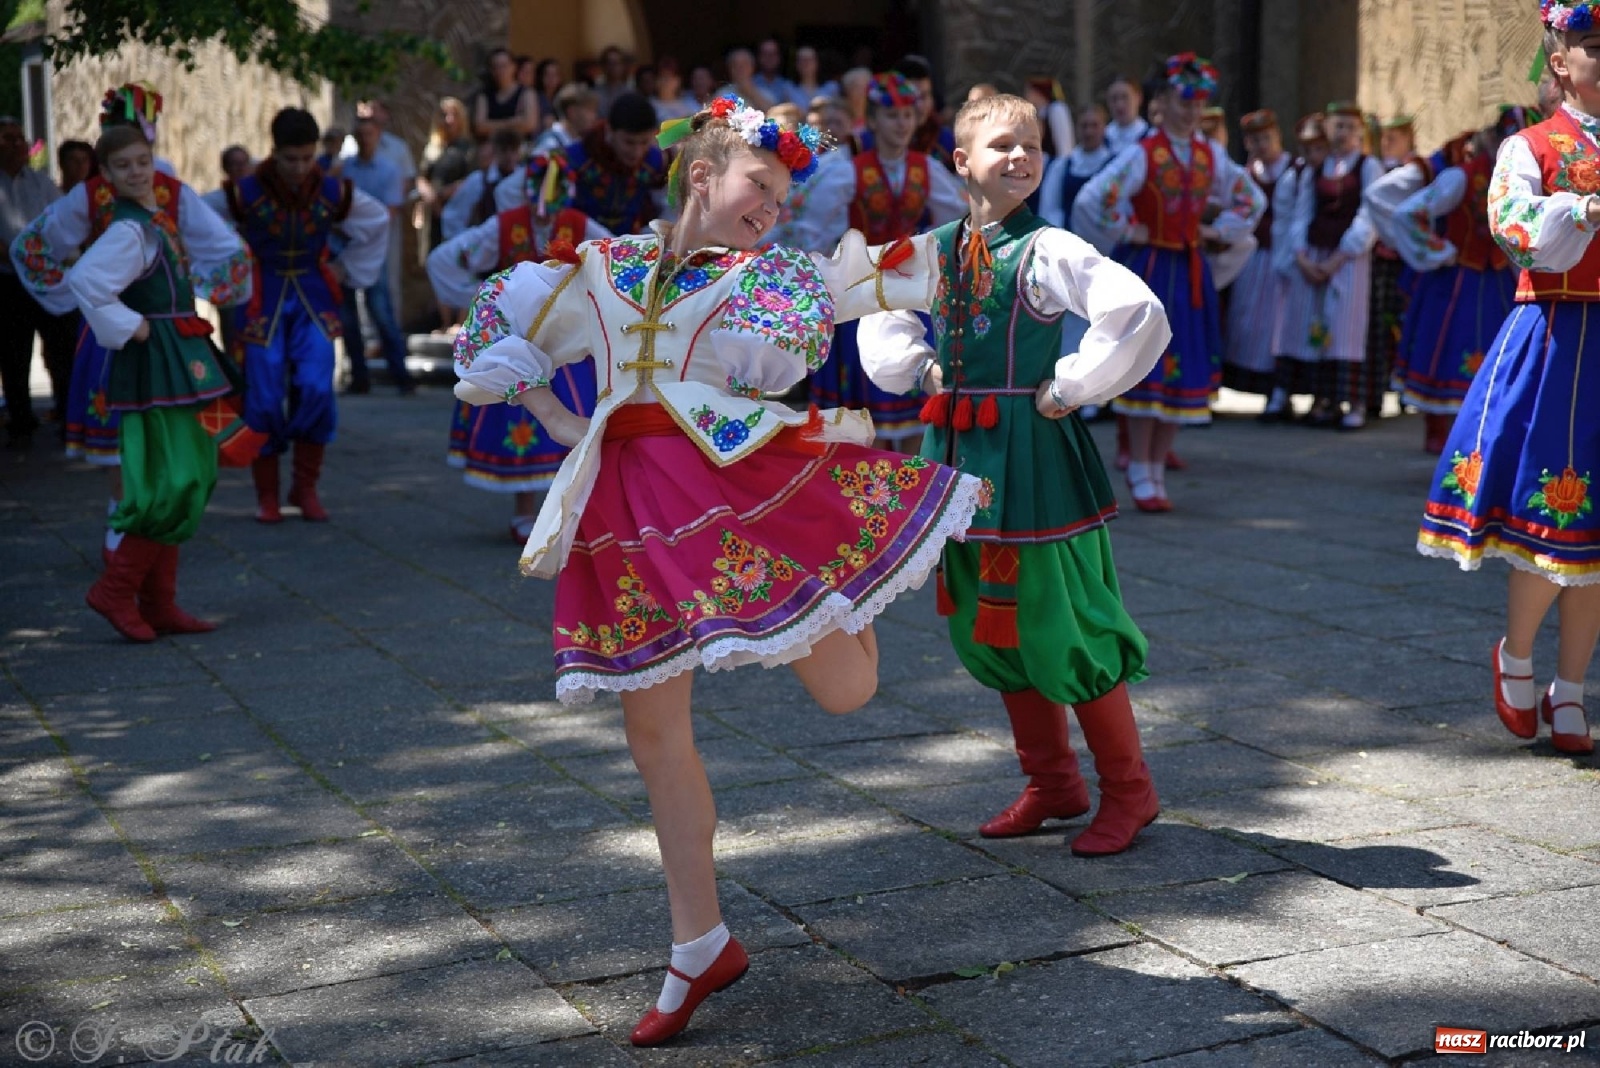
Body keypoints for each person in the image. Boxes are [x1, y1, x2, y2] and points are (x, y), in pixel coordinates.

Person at [451, 94, 982, 1045]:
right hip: (622, 514)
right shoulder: (597, 267)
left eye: (781, 196)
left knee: (849, 693)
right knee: (652, 734)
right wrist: (542, 401)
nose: (772, 207)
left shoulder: (767, 277)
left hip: (731, 497)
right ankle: (698, 943)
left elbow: (875, 280)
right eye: (759, 185)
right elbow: (492, 322)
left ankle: (843, 581)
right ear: (701, 174)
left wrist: (982, 243)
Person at [860, 92, 1170, 853]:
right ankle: (1054, 783)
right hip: (959, 459)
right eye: (1003, 144)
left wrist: (1072, 385)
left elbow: (1134, 311)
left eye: (1031, 144)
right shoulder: (930, 251)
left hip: (1032, 457)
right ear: (961, 161)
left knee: (1062, 617)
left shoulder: (1049, 249)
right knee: (986, 618)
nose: (1021, 155)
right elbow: (877, 305)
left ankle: (1130, 791)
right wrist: (920, 367)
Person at [1418, 2, 1600, 756]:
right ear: (1561, 62)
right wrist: (1583, 208)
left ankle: (1573, 689)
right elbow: (1516, 231)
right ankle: (1517, 656)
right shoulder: (1530, 146)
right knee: (1555, 515)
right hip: (1560, 339)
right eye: (1595, 46)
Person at [70, 123, 252, 640]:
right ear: (106, 176)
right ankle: (116, 591)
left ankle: (159, 603)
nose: (135, 172)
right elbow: (85, 280)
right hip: (158, 366)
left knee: (190, 475)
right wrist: (134, 325)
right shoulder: (129, 231)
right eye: (122, 166)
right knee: (174, 480)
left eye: (142, 162)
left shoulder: (153, 221)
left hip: (179, 362)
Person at [1073, 54, 1265, 511]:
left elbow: (1251, 199)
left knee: (1184, 368)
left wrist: (1218, 231)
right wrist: (1128, 230)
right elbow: (1093, 199)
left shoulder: (1209, 155)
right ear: (1160, 101)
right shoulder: (1145, 152)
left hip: (1189, 271)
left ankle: (1156, 465)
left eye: (1198, 103)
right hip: (1152, 270)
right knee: (1149, 366)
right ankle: (1140, 465)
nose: (1191, 111)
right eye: (1183, 101)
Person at [224, 108, 390, 523]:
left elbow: (378, 220)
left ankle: (305, 488)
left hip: (313, 299)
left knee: (317, 388)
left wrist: (346, 268)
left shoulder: (332, 191)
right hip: (262, 301)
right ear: (274, 152)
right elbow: (200, 225)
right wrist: (233, 271)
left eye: (306, 158)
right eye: (290, 159)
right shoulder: (245, 192)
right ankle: (267, 495)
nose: (300, 168)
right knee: (262, 395)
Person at [793, 72, 966, 450]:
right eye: (891, 116)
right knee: (865, 411)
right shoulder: (848, 169)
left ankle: (915, 477)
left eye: (907, 115)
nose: (901, 124)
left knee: (915, 401)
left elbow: (958, 219)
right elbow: (812, 229)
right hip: (860, 295)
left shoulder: (925, 168)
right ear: (872, 119)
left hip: (910, 291)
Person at [428, 199, 608, 540]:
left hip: (565, 344)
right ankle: (525, 510)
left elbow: (610, 262)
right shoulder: (506, 223)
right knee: (524, 423)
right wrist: (468, 295)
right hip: (516, 343)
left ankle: (575, 510)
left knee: (577, 423)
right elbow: (445, 260)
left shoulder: (578, 222)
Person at [1372, 109, 1529, 454]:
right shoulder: (1461, 177)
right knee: (1444, 350)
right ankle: (1438, 431)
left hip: (1498, 282)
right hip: (1456, 282)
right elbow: (1408, 213)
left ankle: (1485, 437)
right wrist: (1440, 251)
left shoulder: (1518, 183)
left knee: (1498, 355)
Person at [1264, 101, 1386, 431]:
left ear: (1360, 132)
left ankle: (1354, 404)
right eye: (1337, 126)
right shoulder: (1316, 169)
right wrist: (1302, 256)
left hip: (1348, 259)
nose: (1342, 133)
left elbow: (1370, 215)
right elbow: (1301, 214)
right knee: (1312, 327)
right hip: (1314, 256)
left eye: (1349, 127)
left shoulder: (1368, 166)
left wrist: (1339, 257)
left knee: (1346, 328)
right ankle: (1321, 400)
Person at [0, 116, 75, 448]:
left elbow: (63, 220)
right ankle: (20, 422)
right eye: (8, 138)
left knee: (61, 350)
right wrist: (16, 256)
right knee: (13, 354)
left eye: (19, 138)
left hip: (46, 279)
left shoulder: (42, 183)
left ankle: (68, 415)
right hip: (8, 282)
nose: (17, 144)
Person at [502, 92, 667, 235]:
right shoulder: (573, 158)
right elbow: (507, 190)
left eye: (644, 142)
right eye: (629, 142)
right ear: (609, 131)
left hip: (632, 251)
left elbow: (671, 207)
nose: (637, 152)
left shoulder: (656, 161)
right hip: (579, 249)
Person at [339, 115, 417, 396]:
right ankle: (359, 376)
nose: (364, 140)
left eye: (369, 134)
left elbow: (388, 213)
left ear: (378, 136)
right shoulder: (346, 169)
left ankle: (401, 375)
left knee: (381, 311)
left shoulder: (389, 170)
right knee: (347, 316)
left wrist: (359, 231)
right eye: (360, 135)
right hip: (347, 247)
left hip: (375, 249)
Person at [1223, 109, 1295, 397]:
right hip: (1252, 258)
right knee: (1247, 319)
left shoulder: (1294, 170)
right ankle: (1248, 380)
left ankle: (1278, 388)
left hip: (1282, 257)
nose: (1262, 145)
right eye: (1255, 140)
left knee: (1277, 323)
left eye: (1266, 137)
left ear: (1278, 136)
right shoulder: (1245, 175)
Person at [442, 129, 523, 243]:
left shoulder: (526, 181)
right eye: (504, 150)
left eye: (513, 150)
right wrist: (466, 244)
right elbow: (453, 216)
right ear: (495, 152)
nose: (509, 156)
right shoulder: (479, 180)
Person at [417, 97, 476, 250]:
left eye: (454, 115)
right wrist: (431, 196)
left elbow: (471, 179)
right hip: (432, 212)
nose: (448, 120)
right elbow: (422, 177)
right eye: (444, 115)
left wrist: (444, 194)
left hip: (457, 210)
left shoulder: (467, 148)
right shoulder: (433, 147)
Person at [895, 55, 957, 169]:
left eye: (924, 96)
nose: (919, 106)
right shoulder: (879, 140)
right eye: (913, 98)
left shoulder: (945, 140)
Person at [474, 48, 539, 141]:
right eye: (496, 67)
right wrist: (515, 122)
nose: (500, 70)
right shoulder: (484, 95)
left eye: (504, 66)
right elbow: (480, 127)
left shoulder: (527, 93)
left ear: (513, 67)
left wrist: (491, 125)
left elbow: (529, 124)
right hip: (492, 147)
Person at [530, 83, 601, 160]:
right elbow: (537, 166)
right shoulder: (550, 143)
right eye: (589, 110)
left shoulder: (582, 144)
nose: (594, 117)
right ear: (572, 112)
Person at [1024, 77, 1075, 159]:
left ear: (1038, 92)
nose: (1026, 96)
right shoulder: (1040, 113)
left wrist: (1064, 163)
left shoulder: (1057, 109)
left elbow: (1064, 143)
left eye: (1029, 92)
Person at [1103, 76, 1151, 155]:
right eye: (1114, 99)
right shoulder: (1101, 139)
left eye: (1125, 97)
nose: (1119, 105)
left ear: (1139, 98)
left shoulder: (1152, 136)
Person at [650, 57, 699, 123]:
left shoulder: (689, 102)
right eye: (661, 77)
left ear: (678, 80)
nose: (665, 82)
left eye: (669, 78)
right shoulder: (650, 105)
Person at [752, 38, 796, 108]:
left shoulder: (787, 86)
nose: (769, 58)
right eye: (765, 54)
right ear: (758, 57)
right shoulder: (751, 83)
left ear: (779, 57)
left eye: (773, 54)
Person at [595, 46, 635, 114]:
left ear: (623, 66)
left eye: (617, 63)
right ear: (603, 66)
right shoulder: (595, 93)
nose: (613, 67)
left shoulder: (630, 93)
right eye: (610, 63)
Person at [534, 58, 564, 131]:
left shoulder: (563, 98)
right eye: (547, 74)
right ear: (541, 77)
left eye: (555, 74)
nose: (551, 78)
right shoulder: (534, 97)